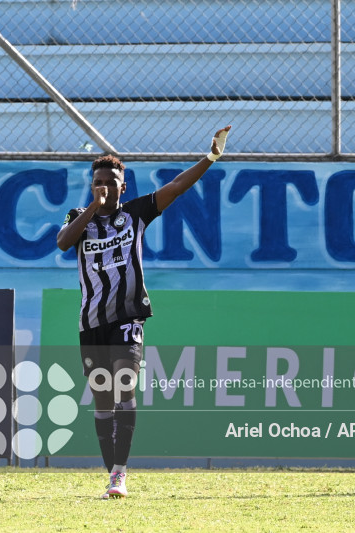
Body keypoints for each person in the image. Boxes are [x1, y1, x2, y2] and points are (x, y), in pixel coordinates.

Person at [56, 125, 231, 499]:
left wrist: (211, 157)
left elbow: (177, 188)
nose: (104, 186)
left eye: (111, 181)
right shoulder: (78, 217)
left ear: (124, 186)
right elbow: (62, 242)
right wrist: (91, 208)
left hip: (128, 318)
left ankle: (120, 474)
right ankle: (112, 475)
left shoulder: (136, 214)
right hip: (91, 324)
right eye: (98, 181)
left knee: (124, 384)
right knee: (102, 399)